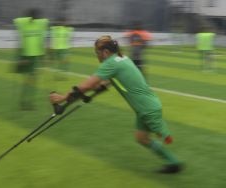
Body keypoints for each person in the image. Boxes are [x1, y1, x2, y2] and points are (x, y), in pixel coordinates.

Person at [49, 36, 183, 174]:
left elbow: (87, 85)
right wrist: (89, 95)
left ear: (105, 52)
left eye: (97, 53)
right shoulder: (121, 58)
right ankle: (173, 162)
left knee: (161, 134)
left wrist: (63, 97)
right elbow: (103, 84)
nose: (97, 57)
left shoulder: (111, 63)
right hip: (146, 106)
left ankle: (172, 156)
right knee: (141, 138)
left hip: (147, 108)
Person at [13, 9, 49, 110]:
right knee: (29, 82)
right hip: (27, 57)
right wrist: (21, 57)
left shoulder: (39, 25)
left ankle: (27, 103)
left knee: (32, 81)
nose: (34, 19)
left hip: (35, 57)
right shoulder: (24, 24)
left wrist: (43, 57)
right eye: (32, 17)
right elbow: (21, 42)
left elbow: (41, 41)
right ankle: (25, 103)